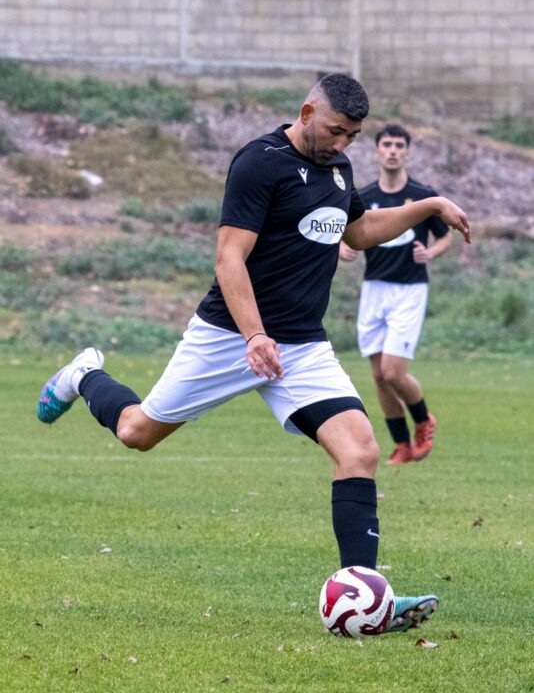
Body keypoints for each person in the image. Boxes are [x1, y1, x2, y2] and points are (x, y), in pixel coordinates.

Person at [37, 75, 470, 633]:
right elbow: (229, 259)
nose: (343, 143)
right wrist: (253, 335)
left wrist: (428, 205)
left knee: (359, 450)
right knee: (136, 432)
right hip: (229, 335)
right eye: (336, 130)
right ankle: (84, 374)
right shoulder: (259, 163)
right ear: (307, 112)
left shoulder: (338, 167)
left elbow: (360, 232)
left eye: (353, 136)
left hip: (302, 346)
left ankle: (366, 600)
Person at [340, 124, 452, 465]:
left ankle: (423, 419)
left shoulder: (423, 196)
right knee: (378, 375)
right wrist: (342, 248)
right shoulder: (363, 196)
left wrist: (431, 253)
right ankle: (402, 445)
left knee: (392, 371)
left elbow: (445, 236)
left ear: (407, 152)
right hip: (374, 288)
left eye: (399, 145)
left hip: (410, 290)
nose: (392, 150)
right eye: (386, 144)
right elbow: (342, 233)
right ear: (376, 151)